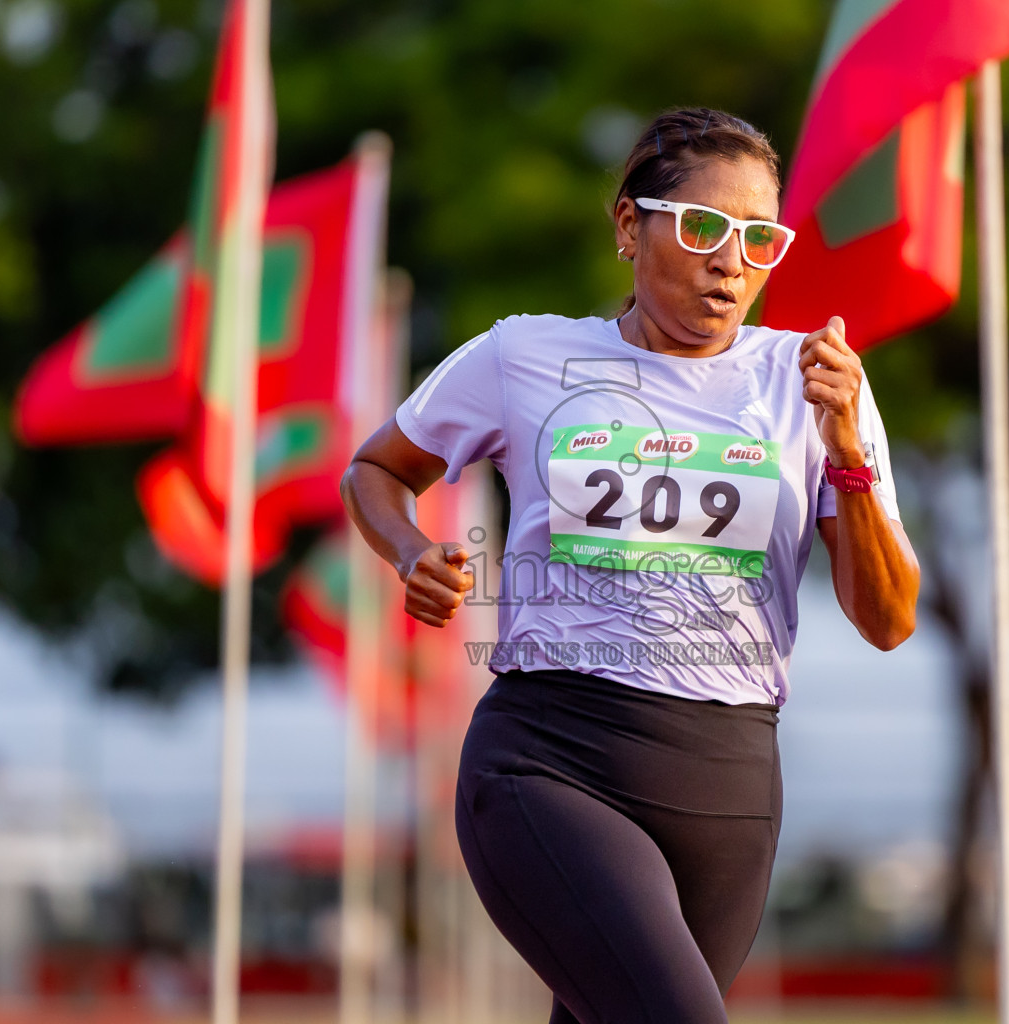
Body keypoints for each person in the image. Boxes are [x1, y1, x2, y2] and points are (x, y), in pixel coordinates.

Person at [341, 106, 921, 1024]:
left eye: (758, 238)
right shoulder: (524, 354)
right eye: (702, 227)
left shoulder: (811, 382)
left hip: (729, 784)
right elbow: (375, 470)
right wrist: (411, 552)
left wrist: (845, 450)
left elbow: (888, 620)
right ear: (629, 225)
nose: (730, 262)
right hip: (551, 760)